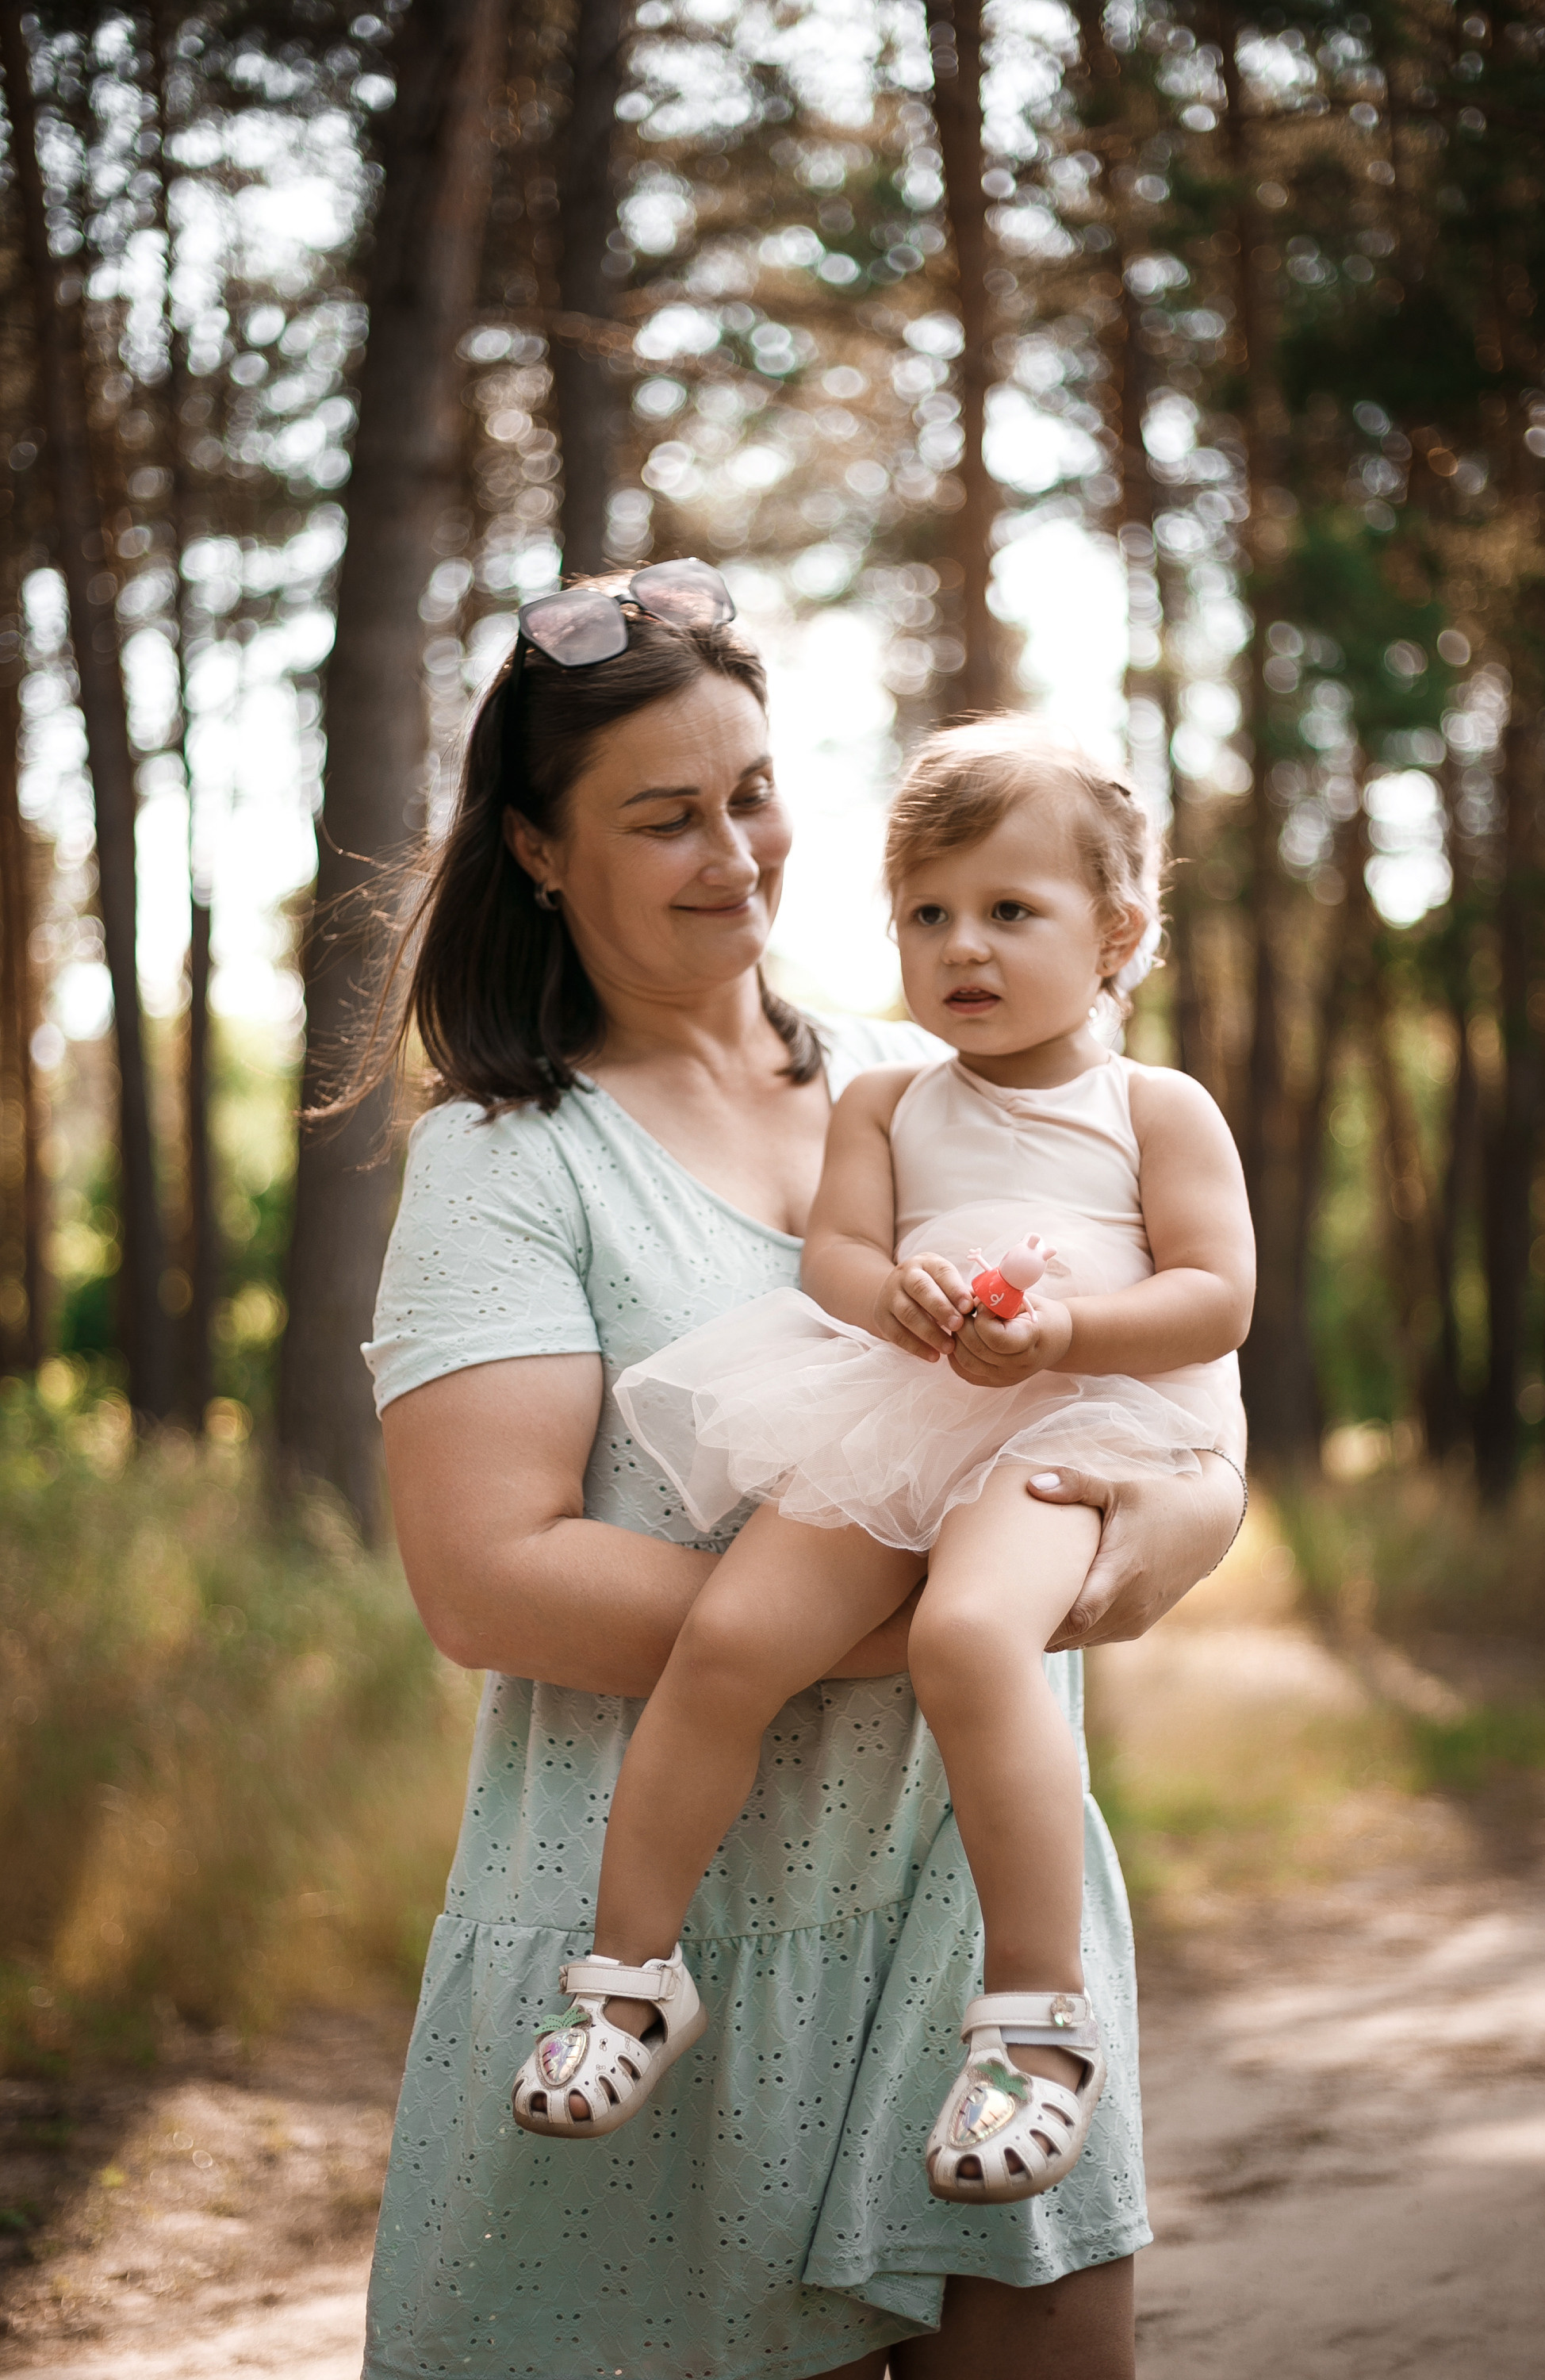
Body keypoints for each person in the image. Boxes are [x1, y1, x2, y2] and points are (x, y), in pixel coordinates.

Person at [358, 561, 1248, 2380]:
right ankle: (628, 1996)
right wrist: (927, 1621)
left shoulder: (926, 1076)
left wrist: (1176, 1526)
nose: (735, 853)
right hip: (713, 1918)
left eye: (753, 793)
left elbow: (1181, 1399)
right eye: (665, 818)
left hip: (969, 1901)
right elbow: (485, 1581)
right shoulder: (512, 1159)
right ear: (538, 850)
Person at [513, 720, 1252, 2213]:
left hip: (1081, 1420)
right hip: (907, 1403)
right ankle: (632, 1978)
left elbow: (1217, 1297)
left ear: (1118, 932)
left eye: (1009, 912)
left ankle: (1036, 2026)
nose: (960, 948)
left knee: (972, 1639)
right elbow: (842, 1253)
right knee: (729, 1635)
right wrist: (892, 1296)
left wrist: (1064, 1334)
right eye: (928, 914)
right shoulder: (888, 1101)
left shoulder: (1151, 1108)